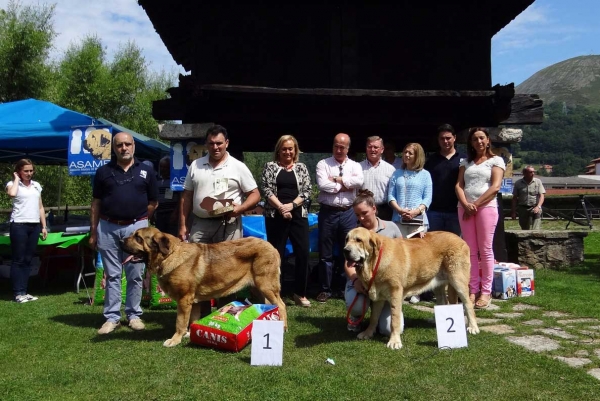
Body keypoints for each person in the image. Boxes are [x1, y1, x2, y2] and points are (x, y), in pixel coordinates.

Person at [179, 124, 260, 315]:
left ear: (227, 143)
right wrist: (183, 225)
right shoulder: (195, 165)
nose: (215, 147)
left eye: (219, 143)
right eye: (211, 143)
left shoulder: (238, 167)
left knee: (227, 271)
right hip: (200, 224)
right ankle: (200, 318)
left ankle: (224, 316)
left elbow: (255, 194)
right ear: (206, 144)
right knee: (196, 272)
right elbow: (186, 197)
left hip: (229, 225)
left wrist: (239, 209)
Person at [90, 132, 158, 334]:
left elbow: (153, 203)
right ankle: (112, 317)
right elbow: (96, 204)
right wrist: (94, 232)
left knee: (135, 274)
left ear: (134, 146)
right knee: (112, 274)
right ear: (114, 148)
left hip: (136, 230)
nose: (124, 148)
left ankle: (134, 315)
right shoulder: (103, 172)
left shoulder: (146, 171)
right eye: (119, 145)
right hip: (108, 227)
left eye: (128, 144)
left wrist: (139, 220)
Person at [455, 127, 505, 310]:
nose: (479, 142)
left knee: (485, 250)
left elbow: (495, 187)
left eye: (482, 138)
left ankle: (486, 291)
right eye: (475, 139)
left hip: (486, 208)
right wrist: (465, 204)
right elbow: (459, 185)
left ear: (488, 140)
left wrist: (475, 205)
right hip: (464, 209)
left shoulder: (496, 160)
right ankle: (472, 289)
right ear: (471, 143)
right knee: (470, 251)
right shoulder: (465, 162)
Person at [261, 135, 312, 307]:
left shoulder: (302, 168)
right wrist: (281, 208)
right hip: (275, 216)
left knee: (303, 252)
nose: (287, 152)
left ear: (295, 150)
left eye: (290, 148)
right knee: (276, 256)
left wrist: (290, 206)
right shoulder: (270, 166)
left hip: (298, 216)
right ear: (278, 150)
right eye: (284, 149)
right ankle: (275, 294)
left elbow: (307, 190)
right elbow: (266, 189)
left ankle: (300, 293)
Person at [315, 133, 364, 303]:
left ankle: (347, 286)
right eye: (336, 146)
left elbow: (360, 182)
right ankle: (325, 289)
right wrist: (345, 185)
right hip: (328, 212)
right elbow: (323, 185)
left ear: (348, 148)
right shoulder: (323, 164)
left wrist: (337, 180)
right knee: (325, 253)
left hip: (348, 212)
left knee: (350, 252)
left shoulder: (355, 165)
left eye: (342, 147)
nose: (338, 149)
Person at [345, 189, 401, 333]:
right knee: (356, 305)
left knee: (388, 329)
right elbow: (348, 263)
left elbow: (402, 252)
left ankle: (381, 319)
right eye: (357, 215)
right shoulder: (354, 232)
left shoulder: (391, 228)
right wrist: (355, 280)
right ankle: (357, 317)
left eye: (364, 213)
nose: (361, 218)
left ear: (374, 209)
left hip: (385, 284)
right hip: (361, 283)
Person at [387, 142, 432, 303]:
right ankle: (399, 288)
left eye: (410, 153)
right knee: (398, 256)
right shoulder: (396, 173)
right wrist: (399, 210)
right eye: (405, 152)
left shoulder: (425, 174)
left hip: (417, 221)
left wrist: (415, 211)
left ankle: (416, 291)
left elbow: (427, 198)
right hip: (398, 220)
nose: (406, 155)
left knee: (417, 257)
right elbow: (390, 196)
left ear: (417, 156)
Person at [5, 159, 48, 303]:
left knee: (29, 259)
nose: (29, 173)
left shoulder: (36, 185)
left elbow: (40, 206)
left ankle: (24, 291)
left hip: (34, 225)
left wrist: (43, 226)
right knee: (19, 259)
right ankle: (18, 292)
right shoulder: (12, 185)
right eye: (26, 171)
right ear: (19, 171)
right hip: (19, 225)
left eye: (31, 171)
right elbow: (11, 194)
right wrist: (16, 179)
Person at [424, 124, 464, 236]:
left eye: (448, 138)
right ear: (438, 140)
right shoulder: (431, 161)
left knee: (454, 246)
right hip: (434, 211)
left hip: (456, 211)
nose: (445, 141)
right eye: (442, 138)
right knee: (433, 246)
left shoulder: (464, 159)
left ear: (454, 138)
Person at [360, 136, 396, 221]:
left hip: (385, 211)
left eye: (376, 147)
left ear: (382, 149)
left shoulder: (391, 169)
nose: (372, 150)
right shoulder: (358, 167)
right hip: (363, 210)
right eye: (369, 147)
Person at [152, 156, 180, 236]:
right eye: (162, 167)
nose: (163, 169)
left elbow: (180, 198)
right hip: (159, 213)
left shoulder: (175, 180)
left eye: (166, 167)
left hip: (171, 213)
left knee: (171, 237)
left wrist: (175, 213)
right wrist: (153, 213)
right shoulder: (156, 179)